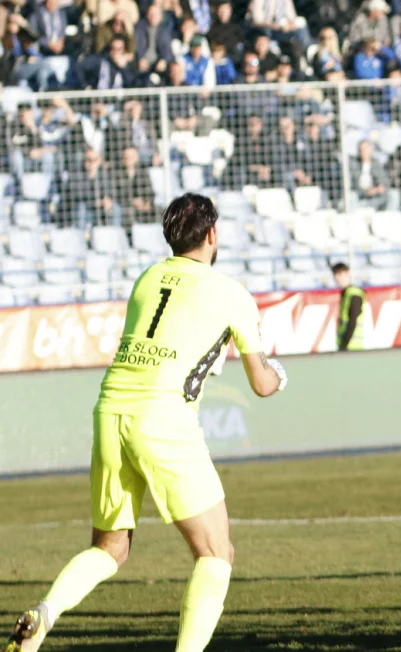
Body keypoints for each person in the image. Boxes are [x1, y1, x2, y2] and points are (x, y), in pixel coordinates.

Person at [2, 193, 288, 652]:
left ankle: (45, 614)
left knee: (110, 548)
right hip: (164, 418)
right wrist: (280, 375)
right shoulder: (231, 292)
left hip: (111, 409)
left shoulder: (148, 276)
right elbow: (260, 382)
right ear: (213, 234)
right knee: (216, 554)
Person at [66, 147, 122, 228]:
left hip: (101, 211)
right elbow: (77, 196)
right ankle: (80, 237)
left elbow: (112, 191)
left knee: (116, 208)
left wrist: (108, 200)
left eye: (94, 160)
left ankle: (113, 237)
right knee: (81, 208)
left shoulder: (105, 174)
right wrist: (96, 202)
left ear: (99, 160)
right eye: (88, 159)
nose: (91, 163)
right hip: (85, 212)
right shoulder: (76, 175)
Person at [115, 145, 156, 224]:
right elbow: (117, 195)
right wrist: (132, 202)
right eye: (127, 157)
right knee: (128, 213)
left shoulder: (143, 171)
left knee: (159, 211)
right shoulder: (118, 174)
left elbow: (150, 191)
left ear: (136, 157)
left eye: (131, 157)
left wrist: (147, 202)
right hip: (127, 207)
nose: (129, 159)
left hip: (143, 205)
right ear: (123, 159)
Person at [332, 263, 367, 351]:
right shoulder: (346, 294)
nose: (337, 278)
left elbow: (353, 320)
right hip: (348, 346)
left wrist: (344, 345)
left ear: (348, 274)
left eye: (340, 274)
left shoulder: (354, 294)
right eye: (335, 275)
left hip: (352, 347)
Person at [350, 139, 394, 210]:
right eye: (362, 149)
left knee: (392, 195)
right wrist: (365, 191)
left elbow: (385, 183)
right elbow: (351, 185)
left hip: (375, 197)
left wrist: (377, 189)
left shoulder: (376, 164)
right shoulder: (353, 165)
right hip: (359, 196)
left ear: (371, 150)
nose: (364, 151)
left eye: (366, 149)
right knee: (351, 196)